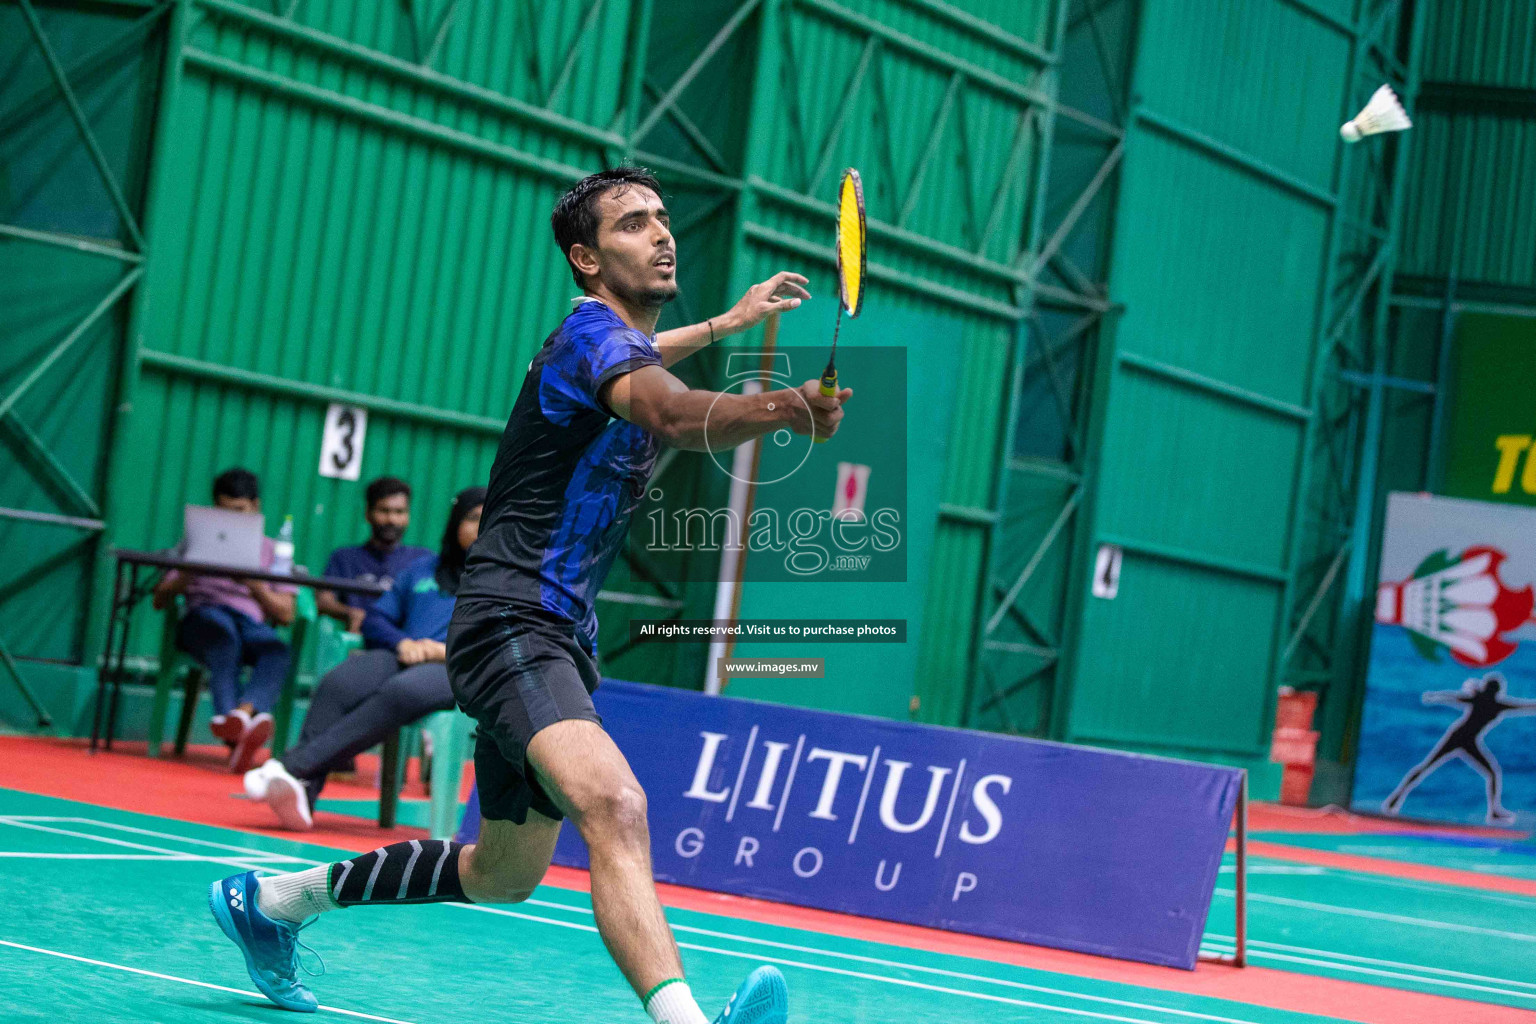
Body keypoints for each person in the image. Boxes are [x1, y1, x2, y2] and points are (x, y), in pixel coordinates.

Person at [209, 167, 848, 1023]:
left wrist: (727, 324)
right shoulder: (591, 340)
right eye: (631, 225)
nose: (660, 234)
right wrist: (784, 408)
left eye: (662, 218)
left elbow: (650, 359)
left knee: (501, 872)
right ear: (586, 259)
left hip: (558, 632)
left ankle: (274, 903)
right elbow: (663, 410)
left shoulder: (613, 342)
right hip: (515, 617)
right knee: (615, 803)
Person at [244, 487, 485, 830]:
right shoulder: (422, 570)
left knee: (402, 691)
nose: (480, 527)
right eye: (472, 518)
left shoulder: (502, 581)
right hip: (402, 655)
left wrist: (441, 651)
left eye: (489, 519)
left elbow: (500, 641)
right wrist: (402, 643)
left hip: (458, 669)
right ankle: (302, 796)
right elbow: (375, 619)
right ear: (455, 523)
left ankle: (292, 767)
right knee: (339, 683)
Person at [154, 468, 296, 773]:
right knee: (223, 635)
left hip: (250, 623)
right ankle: (238, 736)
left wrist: (253, 584)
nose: (232, 519)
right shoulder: (195, 542)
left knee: (277, 650)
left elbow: (286, 613)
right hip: (203, 619)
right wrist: (190, 571)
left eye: (240, 511)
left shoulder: (273, 551)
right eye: (224, 511)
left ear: (256, 507)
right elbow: (160, 598)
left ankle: (241, 717)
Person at [1383, 672, 1536, 824]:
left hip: (1469, 741)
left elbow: (1524, 706)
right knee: (1427, 766)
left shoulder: (1494, 704)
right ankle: (1396, 798)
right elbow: (1455, 697)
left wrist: (1436, 697)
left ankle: (1494, 812)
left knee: (1492, 772)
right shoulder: (1488, 702)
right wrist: (1435, 697)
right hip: (1457, 737)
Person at [314, 476, 432, 635]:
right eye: (384, 511)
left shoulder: (422, 560)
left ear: (408, 516)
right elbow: (324, 601)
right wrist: (351, 614)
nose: (391, 519)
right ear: (368, 514)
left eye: (399, 512)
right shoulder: (344, 558)